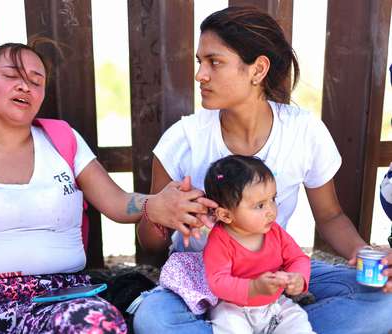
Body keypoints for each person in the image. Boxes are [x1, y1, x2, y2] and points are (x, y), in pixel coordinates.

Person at [0, 41, 207, 334]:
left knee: (96, 322)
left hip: (61, 297)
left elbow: (117, 202)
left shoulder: (63, 142)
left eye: (36, 81)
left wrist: (156, 204)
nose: (25, 86)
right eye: (11, 76)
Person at [134, 6, 392, 334]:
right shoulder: (183, 139)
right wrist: (157, 216)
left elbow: (330, 217)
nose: (201, 75)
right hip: (201, 275)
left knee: (385, 302)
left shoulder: (303, 131)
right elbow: (150, 247)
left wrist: (368, 257)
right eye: (200, 62)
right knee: (154, 319)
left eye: (214, 62)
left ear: (258, 69)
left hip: (274, 271)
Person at [203, 155, 313, 333]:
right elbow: (217, 281)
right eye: (260, 206)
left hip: (274, 304)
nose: (271, 211)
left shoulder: (275, 232)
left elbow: (297, 258)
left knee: (297, 322)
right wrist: (253, 287)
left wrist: (298, 277)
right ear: (225, 215)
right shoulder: (220, 240)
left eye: (273, 199)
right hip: (233, 308)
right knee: (230, 327)